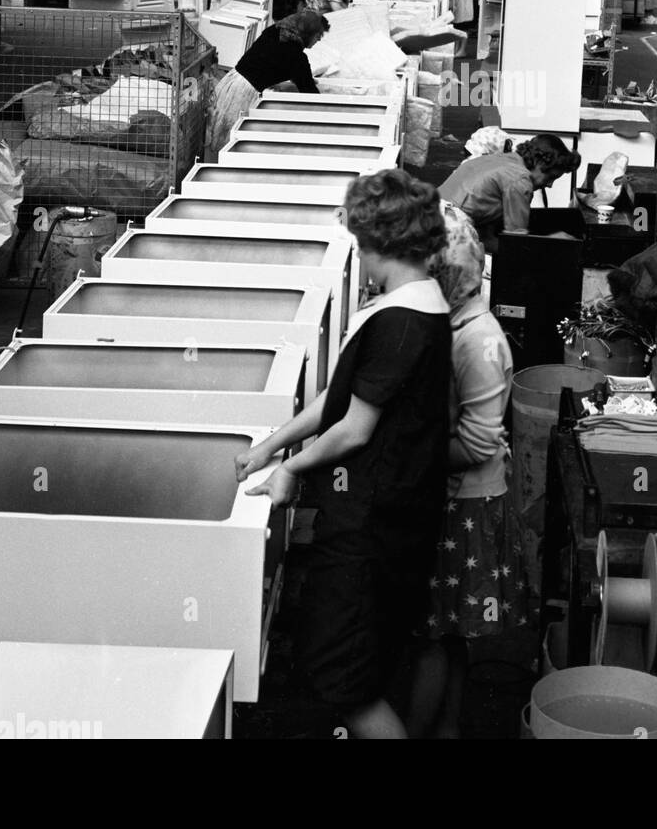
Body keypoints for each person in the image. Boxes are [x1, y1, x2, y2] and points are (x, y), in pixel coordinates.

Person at [235, 170, 452, 739]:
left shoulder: (403, 321)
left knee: (347, 681)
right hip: (383, 516)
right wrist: (273, 444)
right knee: (358, 669)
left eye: (361, 240)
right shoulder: (416, 305)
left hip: (373, 527)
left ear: (379, 241)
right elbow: (341, 394)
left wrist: (290, 468)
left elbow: (355, 428)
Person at [407, 202, 525, 739]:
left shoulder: (477, 341)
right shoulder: (459, 324)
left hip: (465, 508)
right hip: (463, 500)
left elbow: (478, 443)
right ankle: (448, 729)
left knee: (431, 636)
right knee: (449, 633)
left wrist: (411, 453)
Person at [206, 8, 328, 158]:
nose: (319, 40)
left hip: (232, 82)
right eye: (318, 35)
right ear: (308, 32)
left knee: (218, 137)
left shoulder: (276, 31)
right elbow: (310, 94)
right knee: (229, 147)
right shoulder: (295, 54)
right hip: (242, 95)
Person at [438, 134, 580, 254]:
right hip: (451, 227)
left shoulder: (501, 159)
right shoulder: (520, 180)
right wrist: (553, 242)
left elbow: (489, 238)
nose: (549, 185)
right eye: (550, 177)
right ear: (538, 162)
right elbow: (516, 242)